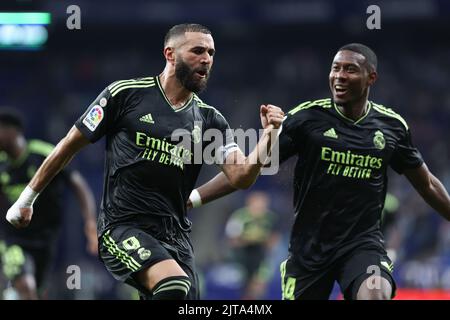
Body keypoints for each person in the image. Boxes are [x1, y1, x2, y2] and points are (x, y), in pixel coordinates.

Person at [5, 23, 284, 300]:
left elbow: (241, 176)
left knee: (183, 297)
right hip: (122, 227)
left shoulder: (210, 119)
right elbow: (68, 145)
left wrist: (270, 134)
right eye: (198, 51)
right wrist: (27, 199)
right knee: (173, 285)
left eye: (211, 53)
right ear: (170, 54)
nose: (207, 59)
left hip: (176, 237)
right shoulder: (125, 95)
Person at [187, 43, 450, 300]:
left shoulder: (391, 126)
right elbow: (247, 171)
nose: (339, 76)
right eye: (335, 68)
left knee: (375, 293)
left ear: (371, 77)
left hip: (362, 245)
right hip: (308, 250)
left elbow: (425, 184)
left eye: (350, 69)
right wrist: (193, 198)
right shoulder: (306, 119)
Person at [0, 109, 98, 300]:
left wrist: (89, 222)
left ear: (12, 131)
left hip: (46, 238)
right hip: (14, 239)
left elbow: (78, 185)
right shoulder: (1, 164)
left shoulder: (43, 153)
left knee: (35, 292)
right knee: (26, 286)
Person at [224, 191, 279, 299]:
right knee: (244, 287)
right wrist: (252, 239)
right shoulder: (239, 216)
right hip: (242, 256)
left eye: (263, 203)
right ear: (250, 203)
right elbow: (233, 240)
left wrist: (259, 240)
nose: (260, 206)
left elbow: (273, 241)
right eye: (257, 203)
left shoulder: (271, 218)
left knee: (259, 285)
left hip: (262, 256)